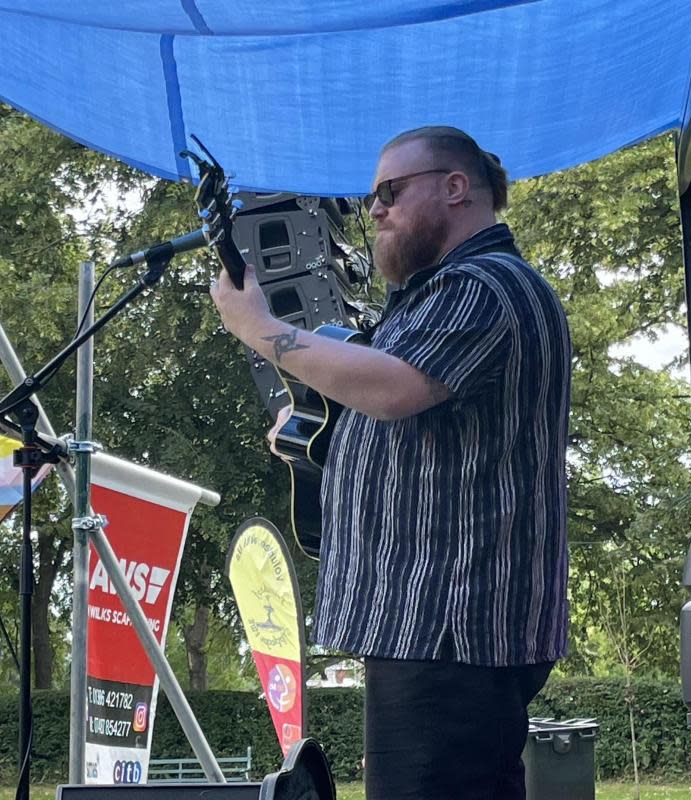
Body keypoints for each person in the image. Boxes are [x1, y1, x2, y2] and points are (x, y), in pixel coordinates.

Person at [210, 126, 571, 799]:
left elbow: (395, 389)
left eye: (389, 192)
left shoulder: (485, 285)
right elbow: (403, 412)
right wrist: (325, 435)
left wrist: (257, 328)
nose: (372, 209)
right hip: (436, 631)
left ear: (456, 187)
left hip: (450, 625)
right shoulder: (438, 297)